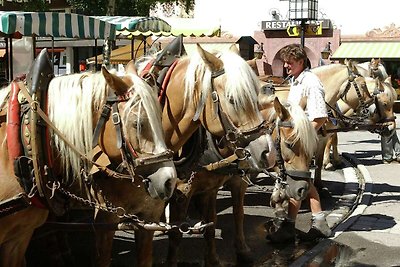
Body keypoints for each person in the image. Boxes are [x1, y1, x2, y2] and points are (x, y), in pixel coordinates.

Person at [266, 43, 331, 243]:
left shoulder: (311, 82)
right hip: (295, 140)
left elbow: (320, 118)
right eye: (285, 63)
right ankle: (305, 224)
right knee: (298, 180)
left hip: (302, 142)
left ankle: (299, 225)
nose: (286, 66)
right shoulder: (296, 81)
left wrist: (298, 138)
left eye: (290, 62)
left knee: (299, 179)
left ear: (301, 61)